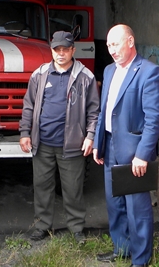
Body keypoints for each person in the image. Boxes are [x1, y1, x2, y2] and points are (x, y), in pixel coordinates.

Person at [93, 24, 159, 267]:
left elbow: (154, 119)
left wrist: (143, 154)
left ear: (131, 41)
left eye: (115, 44)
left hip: (134, 151)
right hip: (110, 145)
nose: (111, 50)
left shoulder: (149, 72)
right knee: (115, 203)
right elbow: (104, 111)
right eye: (108, 46)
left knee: (137, 207)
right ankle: (121, 249)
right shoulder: (109, 71)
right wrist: (98, 142)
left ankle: (141, 259)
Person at [19, 30, 100, 243]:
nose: (61, 53)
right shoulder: (39, 74)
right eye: (57, 49)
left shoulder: (85, 77)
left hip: (72, 144)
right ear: (52, 50)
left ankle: (76, 228)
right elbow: (29, 106)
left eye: (66, 49)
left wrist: (90, 136)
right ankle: (42, 226)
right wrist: (25, 133)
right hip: (42, 142)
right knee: (42, 187)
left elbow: (94, 111)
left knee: (73, 189)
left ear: (73, 50)